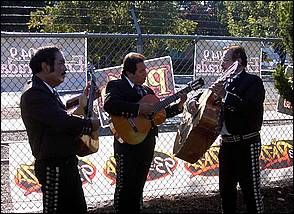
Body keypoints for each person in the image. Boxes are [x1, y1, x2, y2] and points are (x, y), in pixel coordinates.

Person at [103, 52, 187, 213]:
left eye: (145, 70)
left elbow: (161, 114)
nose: (145, 73)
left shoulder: (146, 90)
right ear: (129, 72)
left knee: (138, 184)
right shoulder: (116, 86)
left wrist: (180, 104)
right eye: (141, 71)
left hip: (146, 142)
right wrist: (138, 108)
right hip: (126, 142)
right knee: (124, 186)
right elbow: (110, 105)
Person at [20, 46, 100, 213]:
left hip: (65, 163)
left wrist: (84, 99)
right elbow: (60, 120)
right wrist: (89, 124)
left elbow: (61, 112)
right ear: (45, 66)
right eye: (61, 63)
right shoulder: (35, 92)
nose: (65, 68)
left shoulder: (45, 89)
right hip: (53, 167)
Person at [187, 45, 265, 213]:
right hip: (226, 145)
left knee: (251, 191)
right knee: (226, 191)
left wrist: (225, 96)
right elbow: (201, 96)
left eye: (225, 61)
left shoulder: (253, 82)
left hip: (247, 143)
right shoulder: (222, 82)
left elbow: (250, 107)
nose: (221, 65)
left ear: (238, 62)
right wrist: (191, 102)